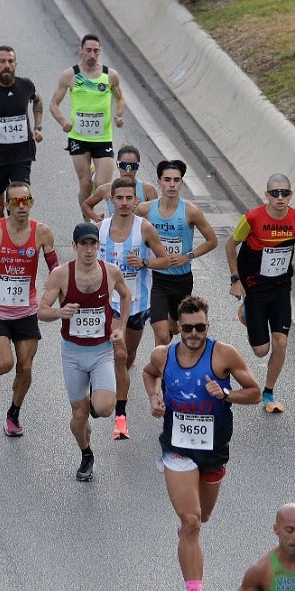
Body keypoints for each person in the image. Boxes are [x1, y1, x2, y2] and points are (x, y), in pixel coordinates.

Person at [142, 295, 260, 591]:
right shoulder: (163, 356)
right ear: (178, 327)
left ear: (208, 326)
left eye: (201, 328)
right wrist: (154, 397)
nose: (194, 334)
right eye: (188, 328)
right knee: (191, 521)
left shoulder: (223, 355)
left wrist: (225, 395)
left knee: (202, 517)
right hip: (177, 448)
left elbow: (254, 392)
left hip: (214, 450)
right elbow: (149, 376)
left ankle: (188, 534)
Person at [0, 181, 59, 436]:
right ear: (6, 205)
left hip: (25, 309)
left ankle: (13, 414)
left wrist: (56, 294)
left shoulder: (42, 233)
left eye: (25, 201)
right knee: (4, 364)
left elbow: (55, 270)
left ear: (32, 203)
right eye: (15, 202)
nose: (21, 207)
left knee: (25, 368)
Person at [38, 223, 130, 481]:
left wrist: (120, 327)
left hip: (101, 351)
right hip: (73, 354)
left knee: (103, 409)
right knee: (79, 416)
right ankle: (86, 454)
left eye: (93, 244)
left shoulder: (110, 272)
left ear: (98, 246)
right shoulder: (60, 275)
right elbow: (41, 310)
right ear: (74, 246)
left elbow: (126, 295)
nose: (89, 250)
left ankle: (95, 397)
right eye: (83, 245)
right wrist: (59, 312)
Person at [225, 173, 295, 414]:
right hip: (254, 287)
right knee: (261, 351)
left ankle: (268, 391)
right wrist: (236, 279)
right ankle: (246, 311)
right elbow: (229, 245)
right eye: (274, 193)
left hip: (280, 288)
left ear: (290, 195)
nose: (280, 197)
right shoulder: (253, 218)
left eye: (284, 193)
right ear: (266, 195)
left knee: (281, 342)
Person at [99, 175, 172, 440]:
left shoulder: (145, 229)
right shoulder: (101, 229)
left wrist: (144, 264)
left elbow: (165, 261)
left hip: (139, 304)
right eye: (119, 198)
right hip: (110, 305)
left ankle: (119, 381)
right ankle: (120, 416)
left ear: (136, 200)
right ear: (112, 200)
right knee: (119, 355)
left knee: (128, 357)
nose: (124, 203)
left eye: (129, 198)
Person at [49, 34, 124, 222]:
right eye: (88, 50)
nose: (92, 54)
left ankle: (109, 225)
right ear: (81, 50)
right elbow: (53, 104)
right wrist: (63, 121)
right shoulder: (70, 75)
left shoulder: (110, 75)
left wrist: (118, 115)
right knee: (85, 184)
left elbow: (120, 98)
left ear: (100, 52)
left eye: (96, 51)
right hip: (79, 138)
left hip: (102, 138)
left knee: (103, 185)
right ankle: (87, 223)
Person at [143, 159, 217, 347]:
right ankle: (161, 372)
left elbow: (212, 241)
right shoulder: (145, 210)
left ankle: (170, 332)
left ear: (182, 183)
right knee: (161, 335)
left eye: (176, 180)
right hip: (156, 279)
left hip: (181, 279)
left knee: (175, 328)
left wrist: (188, 256)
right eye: (167, 180)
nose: (172, 184)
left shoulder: (191, 211)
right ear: (159, 181)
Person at [0, 46, 44, 219]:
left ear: (15, 64)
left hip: (22, 156)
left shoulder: (26, 85)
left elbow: (37, 101)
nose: (6, 65)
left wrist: (37, 126)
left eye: (10, 61)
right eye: (2, 61)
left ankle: (19, 239)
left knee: (21, 201)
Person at [79, 144, 158, 221]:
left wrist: (141, 209)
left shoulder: (148, 190)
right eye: (123, 165)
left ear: (138, 166)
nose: (128, 171)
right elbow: (86, 205)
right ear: (117, 164)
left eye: (132, 166)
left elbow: (156, 215)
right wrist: (96, 218)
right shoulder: (106, 189)